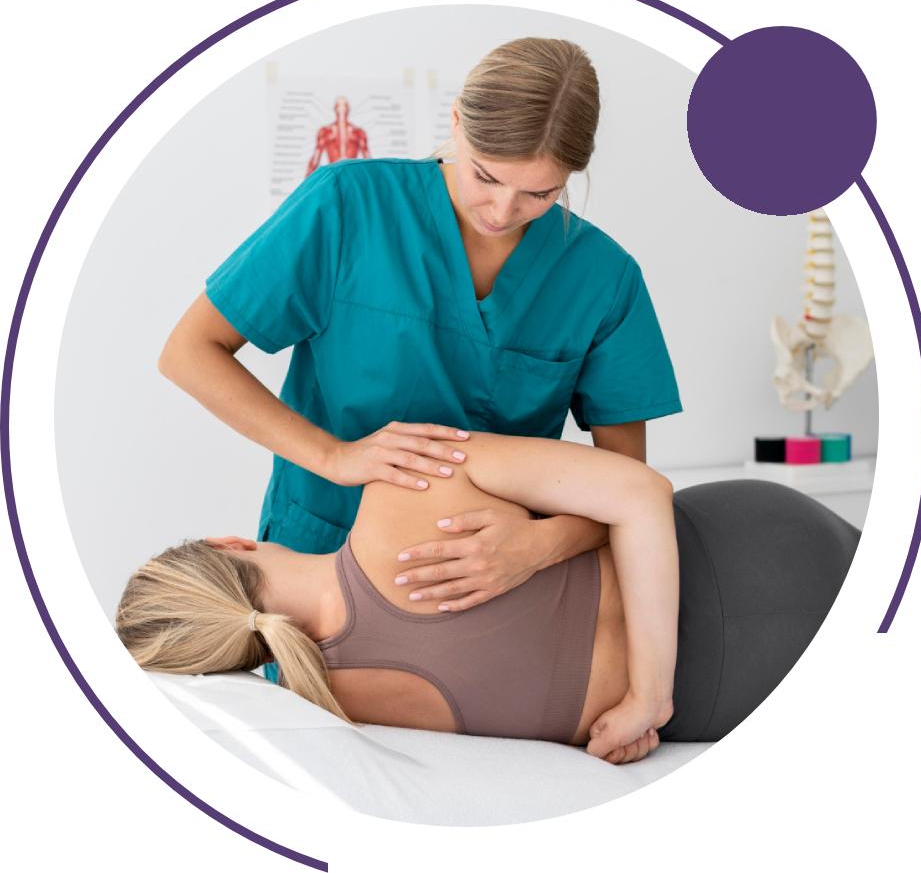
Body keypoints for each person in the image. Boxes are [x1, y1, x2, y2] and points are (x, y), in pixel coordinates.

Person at [157, 37, 682, 623]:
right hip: (323, 554)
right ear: (456, 121)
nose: (502, 212)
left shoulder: (603, 277)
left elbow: (631, 486)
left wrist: (540, 544)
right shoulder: (347, 206)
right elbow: (190, 352)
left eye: (540, 192)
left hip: (491, 588)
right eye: (485, 176)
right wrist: (334, 456)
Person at [116, 432, 858, 764]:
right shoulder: (402, 486)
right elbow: (641, 492)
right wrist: (648, 692)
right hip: (753, 547)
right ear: (231, 544)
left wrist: (643, 707)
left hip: (732, 698)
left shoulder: (339, 707)